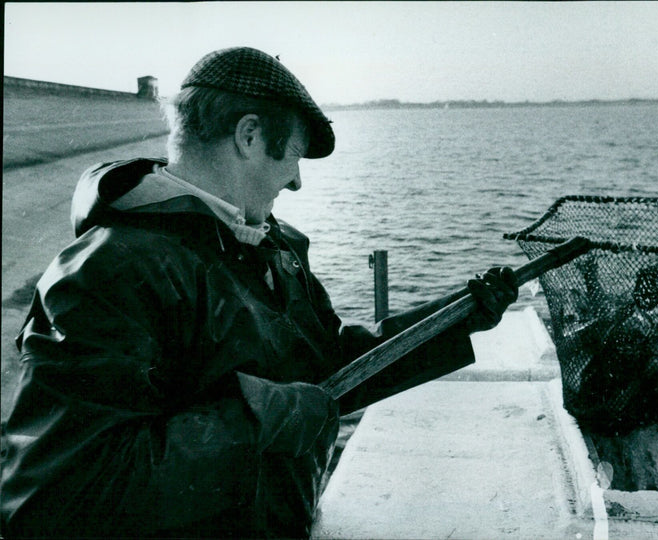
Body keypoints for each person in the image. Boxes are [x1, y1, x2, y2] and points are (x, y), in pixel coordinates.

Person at [0, 47, 518, 539]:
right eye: (292, 156)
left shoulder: (274, 245)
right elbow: (56, 499)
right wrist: (262, 418)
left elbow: (326, 369)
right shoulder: (110, 269)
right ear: (248, 135)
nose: (295, 182)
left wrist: (456, 317)